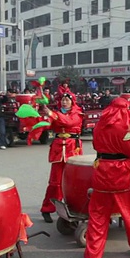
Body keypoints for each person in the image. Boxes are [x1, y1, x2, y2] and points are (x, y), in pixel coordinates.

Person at [83, 96, 130, 258]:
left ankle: (93, 255)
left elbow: (96, 146)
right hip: (122, 174)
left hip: (102, 172)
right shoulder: (126, 129)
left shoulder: (99, 126)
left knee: (98, 216)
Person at [39, 93, 84, 223]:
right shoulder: (56, 113)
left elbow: (69, 122)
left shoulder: (77, 113)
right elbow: (48, 125)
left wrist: (52, 114)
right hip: (59, 150)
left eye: (67, 100)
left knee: (73, 182)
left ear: (72, 102)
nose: (64, 102)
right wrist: (41, 117)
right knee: (55, 182)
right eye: (63, 100)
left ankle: (74, 209)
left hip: (72, 149)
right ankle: (47, 209)